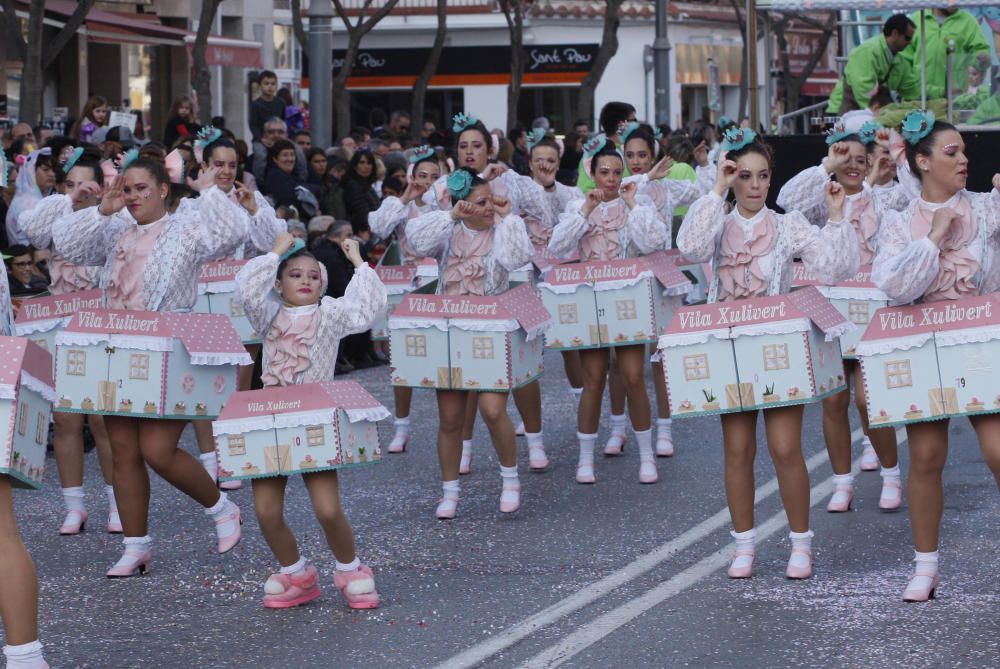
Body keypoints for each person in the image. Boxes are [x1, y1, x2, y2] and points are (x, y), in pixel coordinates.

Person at [676, 127, 859, 579]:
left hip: (777, 345)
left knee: (784, 448)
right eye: (744, 176)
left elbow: (837, 266)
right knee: (737, 450)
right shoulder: (715, 220)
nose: (755, 186)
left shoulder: (788, 224)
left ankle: (800, 544)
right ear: (732, 177)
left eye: (762, 177)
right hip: (729, 344)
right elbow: (689, 248)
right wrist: (716, 188)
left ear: (771, 178)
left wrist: (836, 219)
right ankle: (744, 545)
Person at [51, 158, 248, 576]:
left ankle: (222, 509)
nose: (135, 197)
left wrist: (209, 191)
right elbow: (65, 245)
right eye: (129, 190)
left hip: (166, 346)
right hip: (116, 344)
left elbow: (232, 233)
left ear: (162, 190)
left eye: (143, 188)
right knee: (122, 450)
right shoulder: (115, 229)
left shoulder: (187, 229)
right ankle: (135, 545)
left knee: (157, 451)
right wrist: (102, 210)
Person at [870, 110, 1000, 601]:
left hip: (982, 343)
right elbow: (894, 287)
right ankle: (925, 567)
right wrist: (933, 237)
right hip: (925, 346)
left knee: (998, 451)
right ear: (922, 161)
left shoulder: (989, 209)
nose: (964, 159)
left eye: (965, 151)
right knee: (925, 457)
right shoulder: (901, 224)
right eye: (952, 152)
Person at [234, 231, 386, 609]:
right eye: (295, 274)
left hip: (314, 421)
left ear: (323, 285)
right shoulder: (267, 314)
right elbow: (246, 290)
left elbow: (365, 308)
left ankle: (351, 569)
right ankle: (297, 574)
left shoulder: (329, 314)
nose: (305, 281)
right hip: (268, 419)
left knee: (327, 508)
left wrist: (357, 260)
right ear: (279, 282)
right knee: (266, 512)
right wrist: (276, 251)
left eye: (314, 276)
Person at [777, 122, 907, 513]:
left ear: (870, 162)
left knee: (868, 401)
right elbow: (785, 199)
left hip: (873, 314)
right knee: (834, 403)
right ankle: (841, 482)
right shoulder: (821, 200)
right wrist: (823, 168)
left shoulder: (884, 201)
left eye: (859, 159)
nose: (851, 165)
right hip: (831, 312)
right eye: (843, 157)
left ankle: (890, 473)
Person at [406, 168, 534, 517]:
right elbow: (414, 241)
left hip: (491, 332)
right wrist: (450, 216)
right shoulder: (448, 230)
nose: (489, 205)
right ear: (463, 204)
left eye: (491, 197)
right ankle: (450, 492)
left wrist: (507, 217)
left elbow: (517, 258)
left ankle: (510, 479)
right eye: (481, 201)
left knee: (492, 409)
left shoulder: (502, 230)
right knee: (449, 418)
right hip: (451, 331)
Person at [549, 134, 668, 484]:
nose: (612, 179)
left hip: (626, 300)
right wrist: (586, 209)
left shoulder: (636, 203)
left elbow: (653, 242)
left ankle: (647, 456)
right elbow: (559, 246)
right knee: (594, 380)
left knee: (632, 376)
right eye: (605, 172)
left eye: (617, 172)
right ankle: (585, 459)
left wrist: (633, 205)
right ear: (593, 172)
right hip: (591, 302)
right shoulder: (577, 205)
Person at [17, 150, 119, 534]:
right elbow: (30, 230)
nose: (78, 191)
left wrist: (101, 207)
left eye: (85, 184)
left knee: (104, 418)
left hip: (100, 321)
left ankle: (117, 502)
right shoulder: (56, 214)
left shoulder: (111, 217)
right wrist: (66, 201)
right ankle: (74, 505)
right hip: (59, 323)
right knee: (65, 419)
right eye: (69, 183)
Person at [368, 146, 441, 452]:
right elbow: (378, 229)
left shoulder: (448, 205)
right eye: (421, 175)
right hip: (405, 285)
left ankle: (451, 428)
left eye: (435, 177)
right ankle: (401, 426)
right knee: (402, 357)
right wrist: (403, 198)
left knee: (441, 357)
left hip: (440, 283)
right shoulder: (399, 204)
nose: (427, 181)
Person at [827, 15, 916, 114]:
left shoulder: (900, 62)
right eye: (907, 38)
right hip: (842, 114)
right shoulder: (867, 51)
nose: (910, 42)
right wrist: (887, 114)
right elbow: (864, 91)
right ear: (895, 34)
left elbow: (912, 90)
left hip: (868, 114)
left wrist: (927, 103)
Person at [900, 8, 991, 101]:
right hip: (918, 97)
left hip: (953, 98)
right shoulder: (917, 18)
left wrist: (982, 58)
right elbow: (903, 57)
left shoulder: (968, 21)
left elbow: (980, 49)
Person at [577, 102, 636, 193]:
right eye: (634, 121)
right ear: (622, 125)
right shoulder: (596, 151)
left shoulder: (624, 148)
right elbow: (585, 190)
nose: (637, 125)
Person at [6, 149, 57, 246]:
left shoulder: (41, 199)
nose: (52, 174)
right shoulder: (26, 204)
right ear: (31, 171)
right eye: (46, 169)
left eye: (53, 170)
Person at [342, 150, 381, 236]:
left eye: (369, 163)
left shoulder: (366, 185)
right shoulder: (353, 185)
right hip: (363, 232)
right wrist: (364, 229)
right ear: (355, 166)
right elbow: (360, 212)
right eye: (362, 163)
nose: (366, 166)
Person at [250, 71, 286, 143]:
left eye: (273, 84)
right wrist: (261, 139)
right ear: (260, 86)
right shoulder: (255, 104)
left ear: (276, 86)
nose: (270, 86)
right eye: (266, 84)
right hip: (261, 140)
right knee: (260, 154)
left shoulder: (281, 102)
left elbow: (283, 121)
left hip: (278, 139)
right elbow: (253, 125)